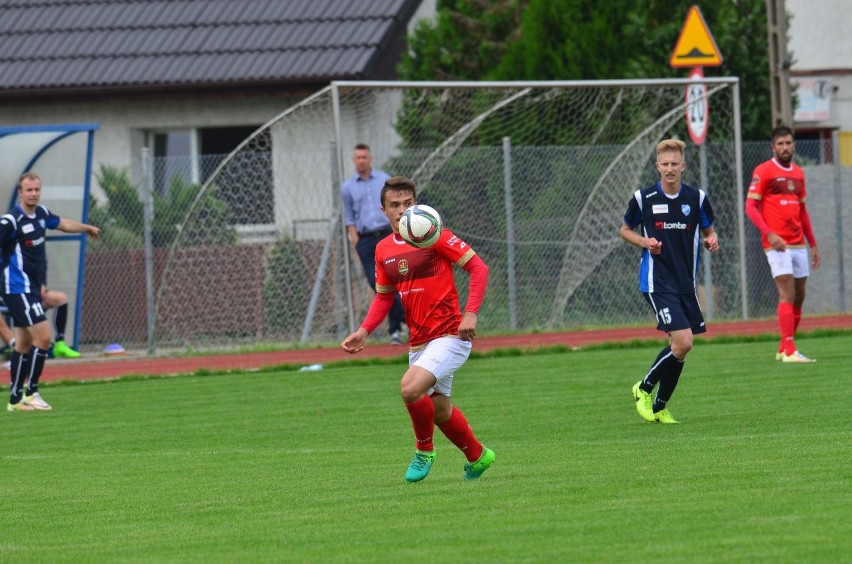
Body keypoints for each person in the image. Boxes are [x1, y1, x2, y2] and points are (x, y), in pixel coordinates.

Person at [341, 176, 495, 481]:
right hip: (419, 342)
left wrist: (471, 313)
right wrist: (364, 331)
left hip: (451, 335)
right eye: (394, 205)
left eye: (407, 204)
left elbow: (478, 267)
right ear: (383, 210)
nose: (401, 210)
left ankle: (424, 451)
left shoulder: (435, 235)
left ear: (417, 204)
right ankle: (478, 456)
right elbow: (384, 297)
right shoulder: (384, 249)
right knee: (439, 410)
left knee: (410, 389)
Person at [621, 139, 719, 424]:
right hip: (657, 281)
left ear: (683, 166)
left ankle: (659, 407)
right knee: (684, 341)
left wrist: (711, 240)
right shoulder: (644, 198)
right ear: (657, 166)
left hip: (685, 283)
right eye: (665, 164)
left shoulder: (696, 198)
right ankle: (644, 388)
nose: (670, 168)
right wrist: (643, 241)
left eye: (675, 164)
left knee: (680, 349)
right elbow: (625, 230)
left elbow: (709, 231)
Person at [2, 172, 101, 411]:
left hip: (32, 289)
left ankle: (15, 400)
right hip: (17, 288)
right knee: (44, 338)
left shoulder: (42, 214)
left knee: (24, 343)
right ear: (20, 192)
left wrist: (86, 228)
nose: (33, 193)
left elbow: (62, 223)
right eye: (29, 190)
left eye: (37, 189)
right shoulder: (11, 221)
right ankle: (32, 392)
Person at [746, 125, 820, 363]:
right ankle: (789, 351)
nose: (785, 147)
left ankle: (782, 347)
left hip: (798, 242)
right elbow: (750, 207)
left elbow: (803, 211)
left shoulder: (798, 173)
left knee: (799, 295)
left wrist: (813, 244)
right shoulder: (764, 170)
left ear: (794, 145)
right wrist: (769, 234)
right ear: (773, 147)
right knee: (786, 293)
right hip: (776, 244)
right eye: (780, 144)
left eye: (788, 143)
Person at [341, 144, 406, 344]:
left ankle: (395, 331)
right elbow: (349, 217)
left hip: (387, 234)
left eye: (364, 157)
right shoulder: (348, 187)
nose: (361, 160)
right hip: (366, 240)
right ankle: (409, 318)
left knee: (397, 282)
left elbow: (396, 206)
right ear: (354, 160)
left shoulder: (384, 180)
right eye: (358, 157)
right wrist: (356, 240)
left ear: (370, 158)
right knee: (377, 282)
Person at [42, 286, 81, 358]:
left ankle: (59, 344)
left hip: (34, 290)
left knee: (61, 299)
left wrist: (41, 285)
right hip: (21, 293)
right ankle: (16, 343)